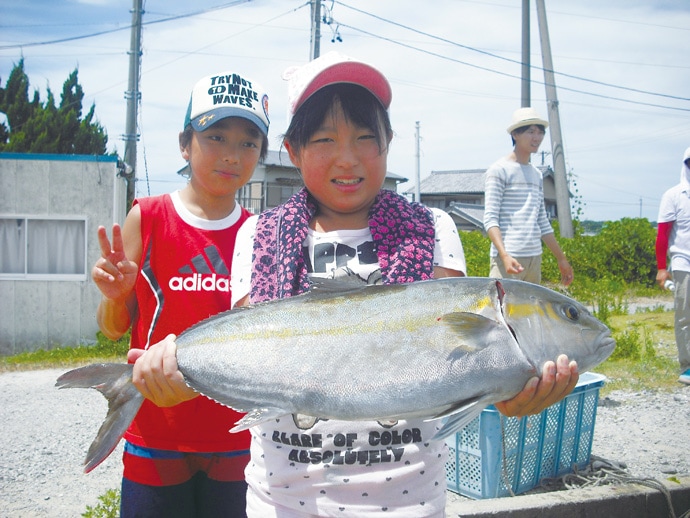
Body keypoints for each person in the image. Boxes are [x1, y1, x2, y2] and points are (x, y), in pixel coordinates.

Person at [135, 52, 579, 517]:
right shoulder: (259, 233)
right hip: (283, 503)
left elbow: (457, 370)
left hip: (409, 503)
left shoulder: (432, 228)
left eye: (367, 138)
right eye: (325, 139)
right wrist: (179, 376)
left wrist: (504, 394)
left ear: (388, 143)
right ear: (293, 151)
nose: (348, 159)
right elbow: (253, 360)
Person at [91, 69, 270, 517]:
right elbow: (114, 329)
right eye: (216, 136)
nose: (232, 155)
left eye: (249, 142)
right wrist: (116, 295)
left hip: (236, 434)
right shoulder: (147, 217)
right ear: (185, 143)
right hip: (156, 431)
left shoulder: (259, 233)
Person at [483, 107, 573, 287]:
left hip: (534, 258)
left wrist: (561, 259)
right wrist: (505, 256)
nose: (536, 138)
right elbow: (490, 220)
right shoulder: (499, 170)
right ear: (515, 134)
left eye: (540, 133)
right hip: (508, 259)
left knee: (530, 314)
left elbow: (542, 221)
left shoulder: (536, 174)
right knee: (502, 313)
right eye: (530, 132)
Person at [655, 146, 690, 385]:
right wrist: (661, 267)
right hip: (683, 262)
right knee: (685, 316)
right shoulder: (674, 195)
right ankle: (687, 366)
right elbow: (663, 235)